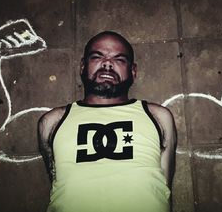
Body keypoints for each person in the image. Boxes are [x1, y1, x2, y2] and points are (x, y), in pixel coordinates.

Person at [38, 31, 177, 212]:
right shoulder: (52, 122)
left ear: (133, 71)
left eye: (119, 59)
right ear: (82, 66)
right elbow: (55, 176)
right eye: (97, 56)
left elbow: (164, 186)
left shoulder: (159, 117)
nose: (107, 64)